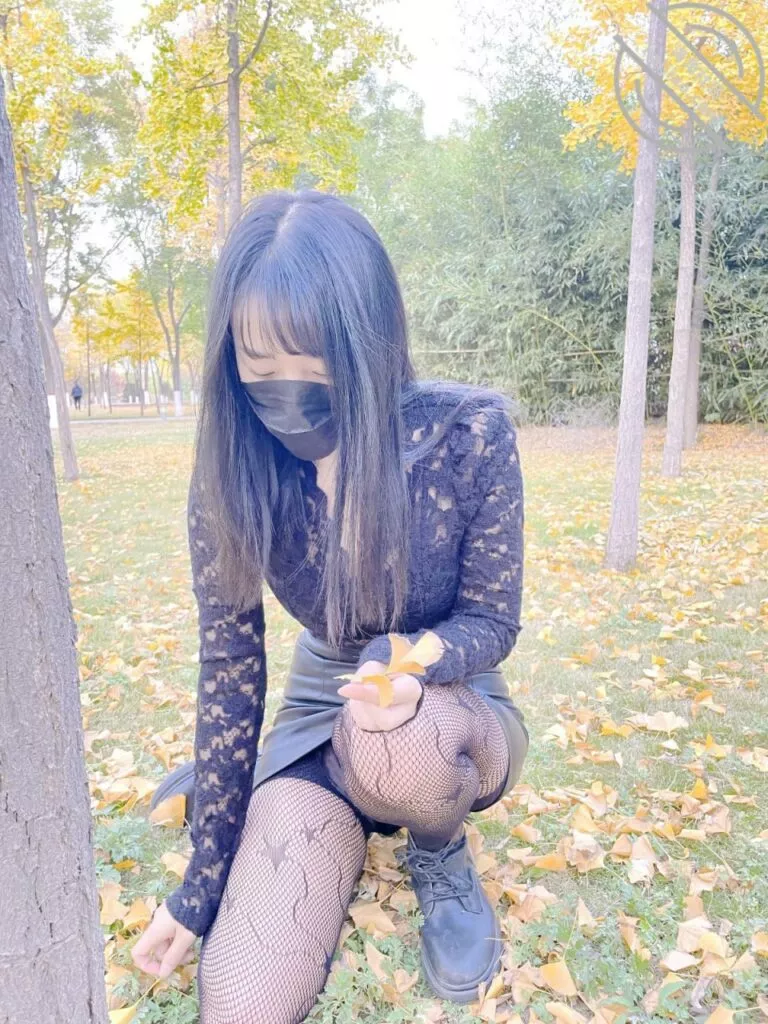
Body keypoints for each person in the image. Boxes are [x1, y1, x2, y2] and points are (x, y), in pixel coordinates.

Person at [131, 189, 528, 1023]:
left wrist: (407, 666)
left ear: (368, 339)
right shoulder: (233, 473)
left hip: (448, 700)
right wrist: (197, 893)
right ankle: (266, 788)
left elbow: (492, 619)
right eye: (259, 361)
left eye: (314, 359)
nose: (288, 389)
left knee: (403, 746)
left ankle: (439, 853)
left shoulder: (468, 436)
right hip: (322, 703)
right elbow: (230, 669)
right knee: (242, 1000)